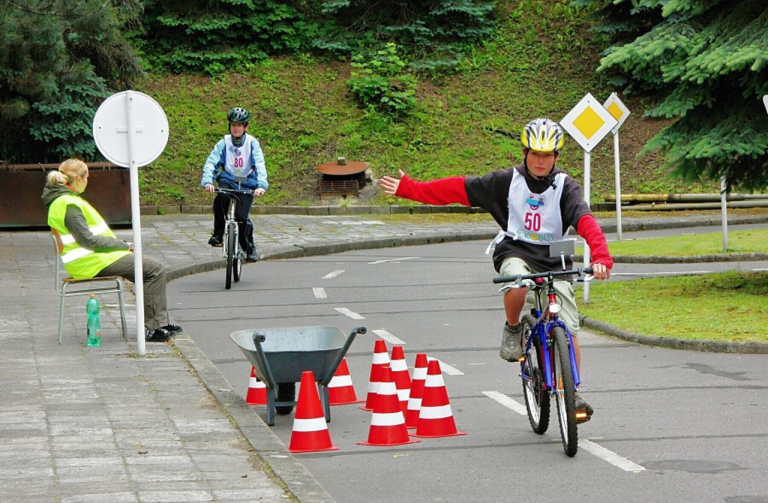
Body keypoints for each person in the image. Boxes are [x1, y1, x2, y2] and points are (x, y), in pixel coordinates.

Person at [381, 118, 613, 420]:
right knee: (517, 283)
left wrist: (601, 256)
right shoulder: (506, 181)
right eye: (535, 154)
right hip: (515, 249)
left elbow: (585, 220)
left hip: (554, 256)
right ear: (525, 152)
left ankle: (573, 391)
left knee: (568, 329)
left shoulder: (565, 187)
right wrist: (410, 189)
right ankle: (514, 327)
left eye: (547, 155)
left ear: (556, 156)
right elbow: (458, 189)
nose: (540, 161)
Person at [43, 159, 182, 343]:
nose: (88, 181)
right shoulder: (68, 204)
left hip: (93, 260)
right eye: (87, 177)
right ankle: (153, 328)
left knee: (147, 269)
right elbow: (88, 240)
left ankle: (159, 322)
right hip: (91, 262)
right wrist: (123, 245)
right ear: (77, 179)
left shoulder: (63, 200)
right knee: (154, 270)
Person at [201, 106, 268, 262]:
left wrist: (261, 185)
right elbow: (211, 162)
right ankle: (218, 235)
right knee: (221, 197)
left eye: (239, 125)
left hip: (246, 183)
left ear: (245, 127)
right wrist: (207, 181)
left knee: (242, 219)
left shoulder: (252, 143)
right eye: (233, 125)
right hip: (228, 179)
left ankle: (249, 247)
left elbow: (260, 164)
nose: (236, 128)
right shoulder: (223, 143)